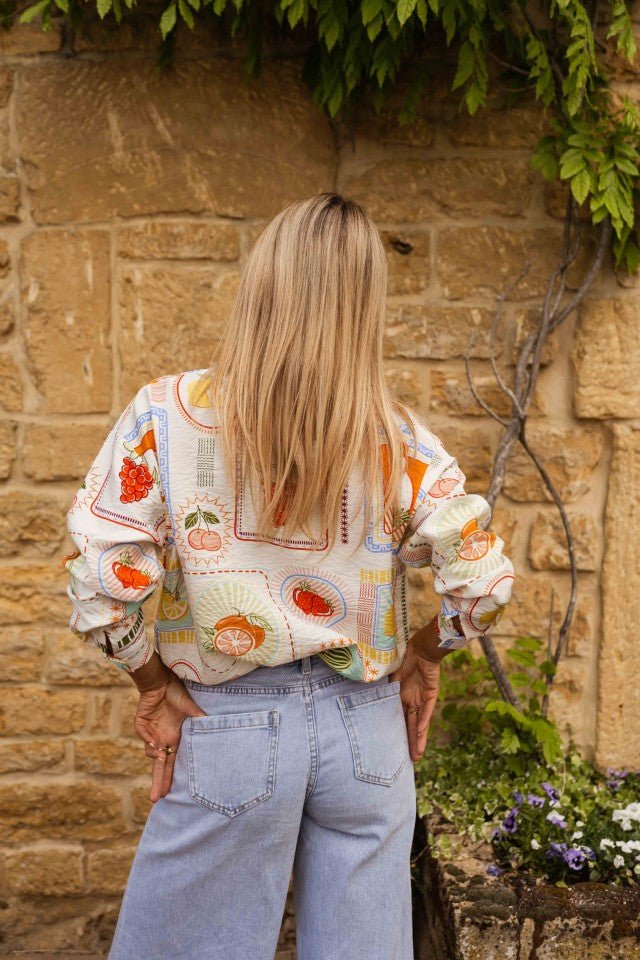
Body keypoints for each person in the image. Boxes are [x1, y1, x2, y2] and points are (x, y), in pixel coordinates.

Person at [62, 192, 515, 960]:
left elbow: (99, 586)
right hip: (368, 734)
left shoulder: (166, 417)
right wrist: (425, 652)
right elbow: (484, 583)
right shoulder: (397, 439)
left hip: (229, 727)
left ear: (262, 283)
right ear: (364, 306)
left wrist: (151, 682)